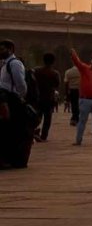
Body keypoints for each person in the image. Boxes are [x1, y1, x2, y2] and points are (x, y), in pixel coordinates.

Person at [0, 41, 36, 169]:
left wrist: (20, 98)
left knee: (12, 130)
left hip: (12, 101)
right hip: (4, 99)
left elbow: (21, 84)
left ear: (10, 49)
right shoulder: (4, 64)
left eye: (2, 49)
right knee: (6, 131)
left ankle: (13, 159)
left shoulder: (14, 64)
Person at [32, 53, 60, 143]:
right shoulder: (54, 73)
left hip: (37, 96)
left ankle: (34, 131)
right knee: (47, 118)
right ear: (53, 62)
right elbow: (57, 84)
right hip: (48, 97)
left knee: (37, 116)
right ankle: (44, 136)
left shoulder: (36, 70)